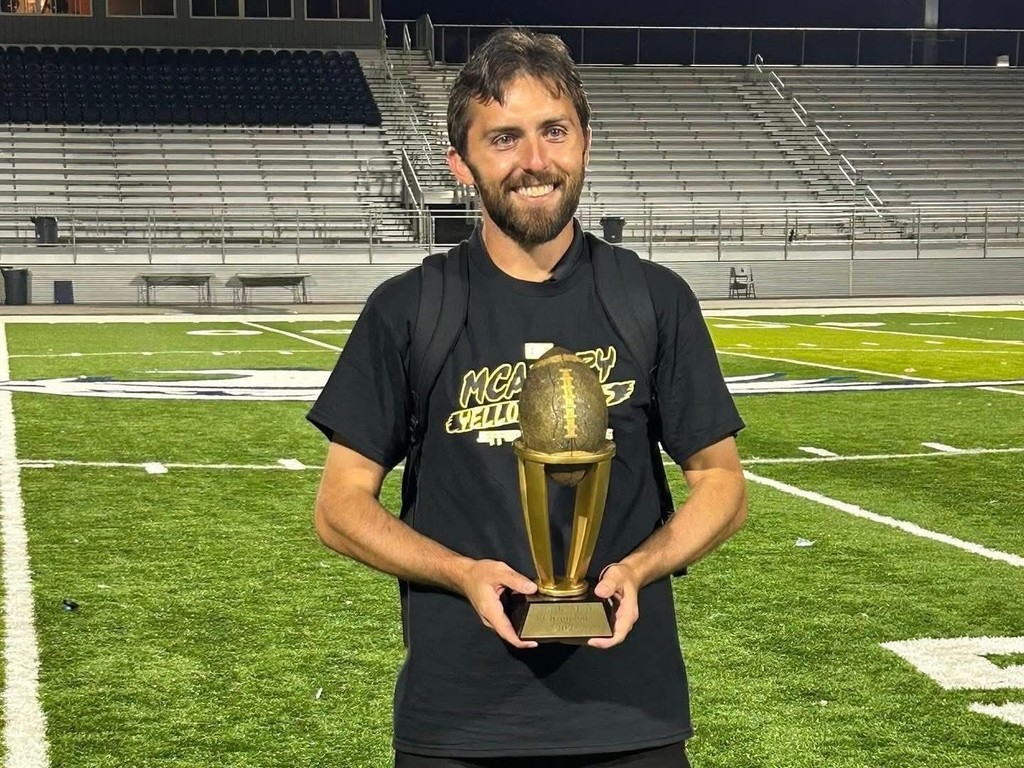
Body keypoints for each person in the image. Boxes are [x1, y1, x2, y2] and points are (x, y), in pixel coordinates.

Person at [308, 26, 748, 768]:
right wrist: (461, 573)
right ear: (461, 163)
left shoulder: (653, 299)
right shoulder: (411, 308)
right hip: (459, 724)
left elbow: (722, 483)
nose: (535, 161)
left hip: (630, 717)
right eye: (504, 138)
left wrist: (638, 570)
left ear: (583, 141)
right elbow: (340, 508)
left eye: (554, 131)